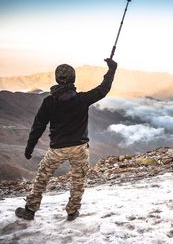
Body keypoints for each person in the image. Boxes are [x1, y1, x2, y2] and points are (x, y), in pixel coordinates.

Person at [15, 58, 117, 221]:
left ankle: (30, 210)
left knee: (43, 176)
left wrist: (30, 147)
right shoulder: (82, 99)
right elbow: (103, 89)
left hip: (57, 149)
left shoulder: (49, 101)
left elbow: (38, 126)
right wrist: (112, 69)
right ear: (73, 78)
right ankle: (72, 211)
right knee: (78, 179)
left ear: (57, 79)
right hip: (80, 148)